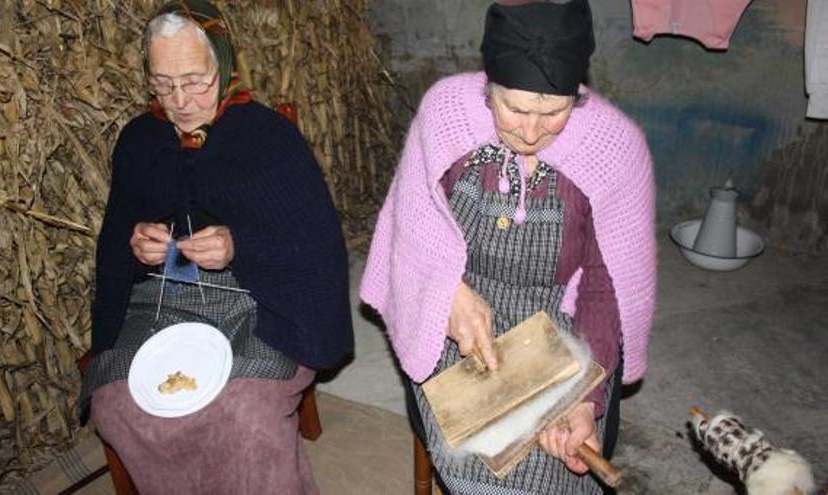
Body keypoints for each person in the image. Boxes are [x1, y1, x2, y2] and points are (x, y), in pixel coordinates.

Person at [361, 0, 656, 493]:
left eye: (553, 112)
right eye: (515, 108)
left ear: (576, 96)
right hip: (453, 314)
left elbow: (607, 290)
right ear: (487, 85)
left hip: (558, 323)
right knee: (478, 467)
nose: (532, 130)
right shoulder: (445, 111)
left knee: (554, 472)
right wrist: (447, 293)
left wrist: (585, 399)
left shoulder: (616, 147)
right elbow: (410, 229)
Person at [78, 1, 353, 493]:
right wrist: (135, 243)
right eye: (162, 83)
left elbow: (316, 248)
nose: (180, 99)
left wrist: (238, 246)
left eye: (195, 80)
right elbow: (115, 245)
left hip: (261, 301)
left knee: (244, 413)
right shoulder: (139, 141)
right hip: (164, 302)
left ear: (222, 66)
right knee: (119, 402)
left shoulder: (269, 139)